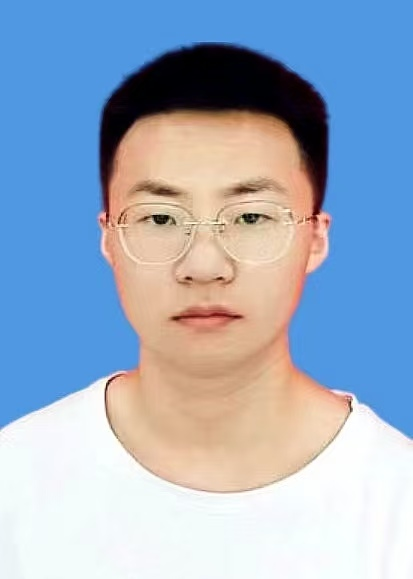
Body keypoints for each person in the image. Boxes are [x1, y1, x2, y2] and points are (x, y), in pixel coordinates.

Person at [0, 42, 412, 579]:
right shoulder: (14, 482)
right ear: (107, 239)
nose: (203, 265)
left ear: (316, 238)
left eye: (250, 217)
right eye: (160, 219)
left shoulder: (398, 503)